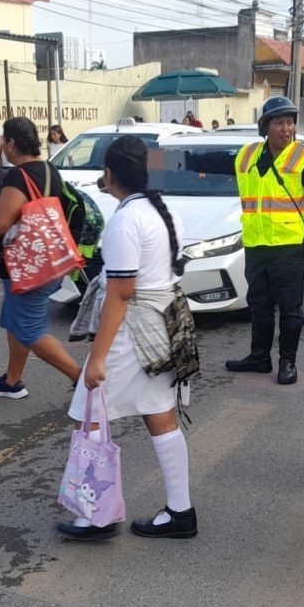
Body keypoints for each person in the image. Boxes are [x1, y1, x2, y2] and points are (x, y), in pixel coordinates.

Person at [56, 135, 196, 541]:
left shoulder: (126, 220)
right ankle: (180, 511)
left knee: (91, 410)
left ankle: (95, 516)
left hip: (134, 332)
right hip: (163, 327)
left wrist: (97, 359)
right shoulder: (164, 210)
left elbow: (120, 293)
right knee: (160, 415)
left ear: (111, 174)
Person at [0, 117, 81, 398]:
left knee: (30, 331)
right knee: (16, 323)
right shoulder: (49, 170)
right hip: (49, 259)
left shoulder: (18, 176)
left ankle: (83, 379)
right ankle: (12, 382)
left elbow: (0, 224)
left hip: (28, 267)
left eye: (4, 143)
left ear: (11, 143)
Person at [225, 96, 304, 384]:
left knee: (290, 308)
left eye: (290, 122)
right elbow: (198, 159)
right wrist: (156, 159)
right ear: (265, 126)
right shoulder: (247, 156)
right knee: (259, 306)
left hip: (288, 247)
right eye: (279, 122)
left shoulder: (303, 158)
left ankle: (287, 362)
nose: (286, 128)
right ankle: (259, 357)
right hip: (256, 245)